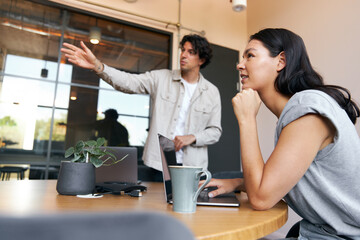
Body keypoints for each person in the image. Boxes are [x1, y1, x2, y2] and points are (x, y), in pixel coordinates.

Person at [203, 28, 360, 239]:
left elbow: (261, 199)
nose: (240, 65)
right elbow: (280, 181)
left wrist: (247, 119)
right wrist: (237, 183)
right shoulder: (297, 111)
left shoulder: (308, 108)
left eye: (250, 55)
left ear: (280, 61)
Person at [61, 34, 222, 178]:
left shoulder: (212, 92)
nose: (183, 55)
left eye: (191, 52)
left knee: (189, 212)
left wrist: (193, 137)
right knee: (155, 210)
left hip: (193, 169)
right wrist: (98, 66)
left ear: (201, 60)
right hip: (158, 165)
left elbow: (215, 131)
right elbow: (129, 82)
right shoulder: (161, 78)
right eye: (183, 50)